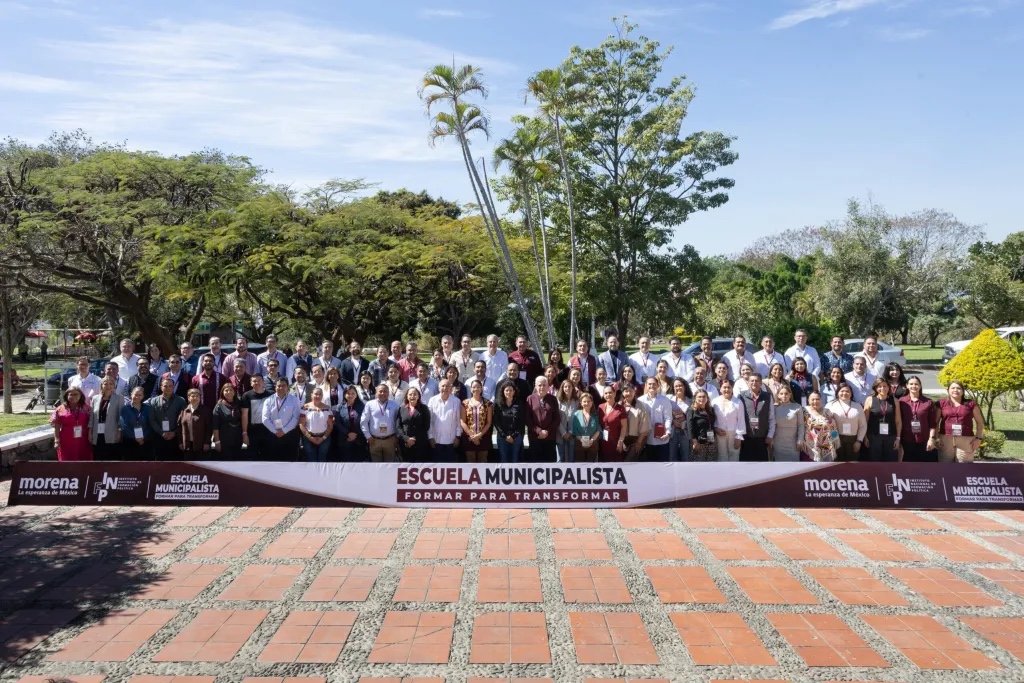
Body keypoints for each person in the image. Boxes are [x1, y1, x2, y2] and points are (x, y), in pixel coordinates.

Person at [936, 381, 985, 463]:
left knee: (964, 467)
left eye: (958, 388)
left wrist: (978, 438)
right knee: (945, 466)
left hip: (966, 440)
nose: (955, 390)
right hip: (945, 439)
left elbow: (980, 423)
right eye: (953, 388)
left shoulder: (971, 404)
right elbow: (936, 422)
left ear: (963, 391)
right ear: (948, 390)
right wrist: (936, 437)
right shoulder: (941, 403)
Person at [899, 376, 938, 462]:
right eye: (911, 384)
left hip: (924, 440)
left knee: (924, 467)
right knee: (908, 467)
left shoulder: (928, 402)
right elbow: (898, 421)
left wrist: (931, 439)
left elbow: (932, 424)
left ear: (920, 386)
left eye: (916, 384)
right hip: (906, 440)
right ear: (907, 386)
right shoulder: (901, 401)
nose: (914, 386)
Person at [262, 378, 302, 461]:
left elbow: (295, 418)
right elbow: (265, 419)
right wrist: (275, 431)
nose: (281, 388)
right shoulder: (268, 400)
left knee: (290, 460)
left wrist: (284, 430)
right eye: (279, 386)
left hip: (290, 435)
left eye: (283, 386)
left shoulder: (294, 400)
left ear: (288, 387)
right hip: (273, 435)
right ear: (275, 387)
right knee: (273, 460)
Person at [737, 373, 774, 462]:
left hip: (762, 437)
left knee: (762, 466)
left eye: (757, 381)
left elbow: (772, 417)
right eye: (752, 381)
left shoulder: (768, 396)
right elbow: (738, 417)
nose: (754, 383)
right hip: (746, 438)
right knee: (746, 466)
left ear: (761, 383)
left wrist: (770, 435)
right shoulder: (741, 396)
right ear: (748, 383)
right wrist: (739, 435)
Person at [863, 379, 902, 462]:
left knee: (890, 462)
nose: (882, 388)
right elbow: (865, 420)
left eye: (885, 386)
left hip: (891, 436)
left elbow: (898, 421)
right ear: (876, 388)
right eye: (879, 386)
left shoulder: (895, 401)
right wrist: (865, 437)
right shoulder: (870, 400)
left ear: (888, 387)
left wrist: (898, 438)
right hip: (874, 436)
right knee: (874, 461)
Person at [148, 378, 186, 461]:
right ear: (161, 387)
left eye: (170, 386)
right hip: (159, 437)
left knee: (175, 462)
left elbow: (183, 420)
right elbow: (152, 420)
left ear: (173, 387)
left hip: (175, 438)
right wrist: (162, 433)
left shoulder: (181, 401)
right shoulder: (153, 401)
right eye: (165, 386)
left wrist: (174, 432)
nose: (168, 388)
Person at [825, 383, 865, 461]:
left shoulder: (858, 406)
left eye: (847, 391)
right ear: (837, 393)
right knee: (837, 465)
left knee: (852, 466)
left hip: (853, 440)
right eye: (842, 391)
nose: (844, 393)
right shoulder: (830, 405)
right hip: (835, 438)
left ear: (851, 393)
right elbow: (825, 423)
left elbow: (863, 426)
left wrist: (859, 441)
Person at [360, 383, 400, 462]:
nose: (383, 393)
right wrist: (368, 436)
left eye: (385, 391)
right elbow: (363, 422)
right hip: (374, 440)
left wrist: (396, 437)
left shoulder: (395, 405)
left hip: (390, 440)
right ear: (376, 392)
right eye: (380, 391)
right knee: (376, 466)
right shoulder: (369, 404)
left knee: (389, 465)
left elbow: (398, 423)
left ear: (388, 393)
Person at [51, 387, 91, 461]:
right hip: (66, 440)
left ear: (81, 395)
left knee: (84, 460)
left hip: (83, 440)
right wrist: (56, 440)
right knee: (67, 460)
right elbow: (56, 426)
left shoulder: (87, 408)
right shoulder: (60, 409)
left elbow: (92, 423)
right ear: (66, 396)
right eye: (71, 394)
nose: (73, 397)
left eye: (76, 394)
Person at [526, 376, 560, 462]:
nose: (542, 387)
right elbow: (527, 418)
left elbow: (557, 418)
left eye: (544, 385)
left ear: (548, 386)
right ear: (535, 386)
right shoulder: (530, 399)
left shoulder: (553, 399)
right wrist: (538, 431)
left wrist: (547, 431)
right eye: (539, 385)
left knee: (549, 464)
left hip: (550, 437)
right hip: (535, 437)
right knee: (535, 463)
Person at [639, 377, 674, 461]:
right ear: (646, 386)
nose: (652, 386)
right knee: (649, 467)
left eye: (654, 384)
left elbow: (668, 418)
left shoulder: (665, 400)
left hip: (662, 439)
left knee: (663, 466)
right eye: (649, 384)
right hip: (646, 440)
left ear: (658, 385)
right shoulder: (640, 400)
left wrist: (668, 432)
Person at [427, 379, 462, 462]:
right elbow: (429, 421)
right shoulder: (432, 400)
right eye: (443, 386)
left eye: (447, 386)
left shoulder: (456, 401)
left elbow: (458, 421)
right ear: (439, 388)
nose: (445, 388)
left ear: (451, 388)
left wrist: (458, 437)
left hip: (451, 441)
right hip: (436, 440)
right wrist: (430, 437)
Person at [241, 374, 273, 461]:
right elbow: (244, 415)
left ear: (263, 382)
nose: (257, 383)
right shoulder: (246, 396)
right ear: (251, 383)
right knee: (252, 458)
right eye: (254, 381)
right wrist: (244, 433)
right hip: (252, 432)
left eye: (259, 380)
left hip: (268, 431)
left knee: (267, 458)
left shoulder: (271, 395)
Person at [89, 377, 122, 460]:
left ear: (114, 386)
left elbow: (120, 417)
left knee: (111, 457)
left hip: (112, 432)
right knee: (98, 456)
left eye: (111, 384)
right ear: (101, 385)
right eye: (105, 384)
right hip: (97, 433)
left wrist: (119, 432)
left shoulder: (119, 398)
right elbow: (92, 416)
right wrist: (90, 432)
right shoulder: (95, 398)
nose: (108, 386)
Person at [711, 380, 745, 462]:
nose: (726, 389)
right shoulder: (714, 401)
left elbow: (741, 420)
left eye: (729, 387)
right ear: (720, 389)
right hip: (720, 433)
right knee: (721, 455)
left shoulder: (738, 402)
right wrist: (715, 428)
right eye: (724, 387)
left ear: (732, 389)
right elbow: (712, 418)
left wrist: (738, 437)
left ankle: (733, 474)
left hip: (733, 433)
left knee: (734, 455)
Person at [461, 379, 492, 463]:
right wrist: (472, 436)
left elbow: (489, 422)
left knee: (483, 461)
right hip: (469, 437)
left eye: (478, 387)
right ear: (471, 389)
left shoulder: (488, 403)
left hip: (483, 437)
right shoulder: (465, 403)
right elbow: (462, 421)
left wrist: (479, 435)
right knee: (470, 461)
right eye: (474, 387)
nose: (476, 389)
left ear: (481, 389)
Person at [299, 387, 334, 463]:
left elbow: (330, 426)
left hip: (324, 438)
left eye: (320, 394)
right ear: (311, 395)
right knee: (311, 459)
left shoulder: (328, 408)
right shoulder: (305, 407)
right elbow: (301, 424)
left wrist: (323, 438)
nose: (317, 396)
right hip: (308, 438)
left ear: (322, 396)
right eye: (315, 394)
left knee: (322, 459)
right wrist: (310, 438)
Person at [397, 386, 432, 462]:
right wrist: (407, 439)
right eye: (410, 394)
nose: (412, 396)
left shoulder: (424, 408)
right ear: (407, 396)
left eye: (415, 394)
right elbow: (398, 426)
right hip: (405, 444)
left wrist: (413, 440)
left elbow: (426, 426)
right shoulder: (401, 408)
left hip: (420, 443)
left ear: (418, 396)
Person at [803, 391, 839, 462]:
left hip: (827, 446)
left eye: (817, 399)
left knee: (825, 470)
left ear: (821, 400)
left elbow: (833, 428)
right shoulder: (804, 411)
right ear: (808, 400)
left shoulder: (827, 412)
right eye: (812, 399)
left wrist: (835, 441)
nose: (815, 401)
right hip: (810, 446)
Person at [119, 386, 154, 460]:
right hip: (130, 443)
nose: (137, 397)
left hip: (145, 442)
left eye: (140, 395)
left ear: (143, 396)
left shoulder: (148, 408)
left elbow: (150, 425)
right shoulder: (125, 409)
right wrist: (135, 437)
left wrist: (143, 437)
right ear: (131, 394)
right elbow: (124, 426)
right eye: (135, 394)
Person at [334, 385, 367, 462]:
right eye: (348, 393)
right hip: (344, 439)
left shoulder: (362, 406)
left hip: (359, 438)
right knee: (345, 461)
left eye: (353, 393)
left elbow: (365, 422)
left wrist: (356, 434)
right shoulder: (339, 407)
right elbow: (337, 423)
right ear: (344, 395)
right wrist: (348, 433)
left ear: (356, 394)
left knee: (359, 462)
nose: (350, 395)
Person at [772, 384, 805, 462]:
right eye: (781, 394)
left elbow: (801, 425)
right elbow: (772, 424)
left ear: (790, 394)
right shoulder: (774, 407)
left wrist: (800, 439)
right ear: (778, 395)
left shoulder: (797, 407)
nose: (784, 396)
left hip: (793, 443)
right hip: (778, 443)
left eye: (786, 393)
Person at [494, 384, 525, 464]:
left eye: (511, 390)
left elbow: (521, 422)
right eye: (506, 390)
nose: (509, 392)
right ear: (503, 392)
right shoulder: (498, 404)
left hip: (516, 437)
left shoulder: (519, 403)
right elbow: (496, 422)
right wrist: (505, 436)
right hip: (502, 437)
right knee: (504, 460)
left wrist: (513, 436)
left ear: (514, 392)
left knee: (515, 460)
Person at [212, 383, 244, 459]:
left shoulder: (239, 403)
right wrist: (217, 442)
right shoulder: (219, 405)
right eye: (226, 390)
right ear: (222, 392)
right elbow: (215, 425)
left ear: (234, 392)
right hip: (224, 438)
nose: (229, 392)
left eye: (231, 390)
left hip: (237, 437)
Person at [192, 353, 228, 418]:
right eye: (205, 361)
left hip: (218, 411)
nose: (208, 362)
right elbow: (192, 395)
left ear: (214, 363)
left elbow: (224, 394)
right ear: (202, 363)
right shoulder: (195, 379)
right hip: (201, 412)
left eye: (211, 361)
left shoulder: (221, 377)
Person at [619, 384, 650, 462]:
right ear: (622, 393)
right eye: (626, 391)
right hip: (621, 440)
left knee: (628, 462)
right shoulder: (619, 405)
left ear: (634, 392)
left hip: (635, 440)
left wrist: (639, 442)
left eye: (631, 391)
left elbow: (644, 425)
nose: (628, 393)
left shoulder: (640, 406)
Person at [179, 388, 211, 459]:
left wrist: (207, 442)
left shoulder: (206, 411)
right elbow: (179, 428)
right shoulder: (183, 411)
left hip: (201, 446)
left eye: (197, 396)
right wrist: (180, 442)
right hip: (187, 446)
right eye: (193, 396)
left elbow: (209, 428)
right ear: (188, 398)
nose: (195, 398)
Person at [598, 385, 628, 462]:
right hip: (603, 442)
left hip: (616, 442)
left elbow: (624, 426)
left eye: (610, 393)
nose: (608, 395)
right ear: (603, 395)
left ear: (614, 393)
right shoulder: (600, 407)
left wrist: (621, 441)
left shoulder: (620, 408)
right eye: (606, 393)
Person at [687, 389, 718, 462]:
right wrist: (694, 442)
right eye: (699, 397)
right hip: (699, 441)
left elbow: (713, 424)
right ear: (695, 398)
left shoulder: (710, 409)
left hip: (711, 441)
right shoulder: (691, 410)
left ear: (707, 398)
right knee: (699, 464)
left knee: (711, 462)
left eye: (704, 397)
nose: (702, 399)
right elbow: (690, 427)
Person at [571, 392, 602, 462]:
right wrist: (583, 440)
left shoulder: (595, 414)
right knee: (580, 465)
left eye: (588, 401)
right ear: (581, 403)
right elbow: (575, 431)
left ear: (592, 402)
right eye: (584, 401)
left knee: (590, 466)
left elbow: (598, 429)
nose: (586, 403)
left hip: (593, 444)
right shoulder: (576, 414)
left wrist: (592, 440)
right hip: (579, 444)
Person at [554, 379, 579, 463]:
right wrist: (563, 432)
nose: (567, 388)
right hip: (560, 433)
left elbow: (578, 418)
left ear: (572, 388)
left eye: (569, 386)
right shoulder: (558, 401)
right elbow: (556, 417)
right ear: (562, 388)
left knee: (571, 459)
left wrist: (571, 431)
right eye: (565, 387)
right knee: (560, 459)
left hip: (573, 433)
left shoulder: (577, 401)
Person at [668, 377, 691, 462]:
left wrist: (683, 423)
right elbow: (665, 416)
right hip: (672, 433)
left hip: (685, 433)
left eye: (680, 385)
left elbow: (692, 419)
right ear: (673, 388)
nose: (678, 388)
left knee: (686, 457)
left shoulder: (690, 401)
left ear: (685, 387)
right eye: (676, 386)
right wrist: (673, 421)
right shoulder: (668, 399)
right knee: (672, 457)